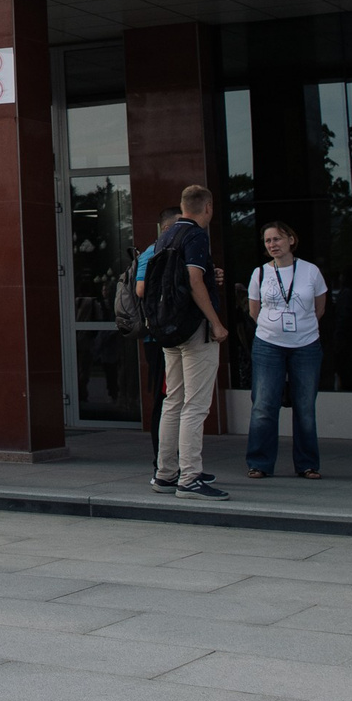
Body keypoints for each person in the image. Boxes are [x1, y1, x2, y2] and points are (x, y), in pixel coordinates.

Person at [145, 185, 232, 500]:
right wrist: (215, 322)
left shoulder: (165, 235)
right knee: (195, 405)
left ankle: (165, 474)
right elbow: (194, 280)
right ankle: (190, 478)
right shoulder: (196, 236)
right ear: (207, 207)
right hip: (194, 328)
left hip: (169, 329)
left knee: (173, 402)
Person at [243, 220, 328, 479]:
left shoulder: (311, 271)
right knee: (264, 405)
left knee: (305, 406)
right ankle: (259, 463)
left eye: (277, 239)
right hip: (268, 344)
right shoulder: (259, 273)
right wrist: (275, 329)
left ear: (291, 239)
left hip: (306, 344)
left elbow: (319, 308)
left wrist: (299, 328)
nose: (272, 245)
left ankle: (307, 464)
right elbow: (254, 311)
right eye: (268, 241)